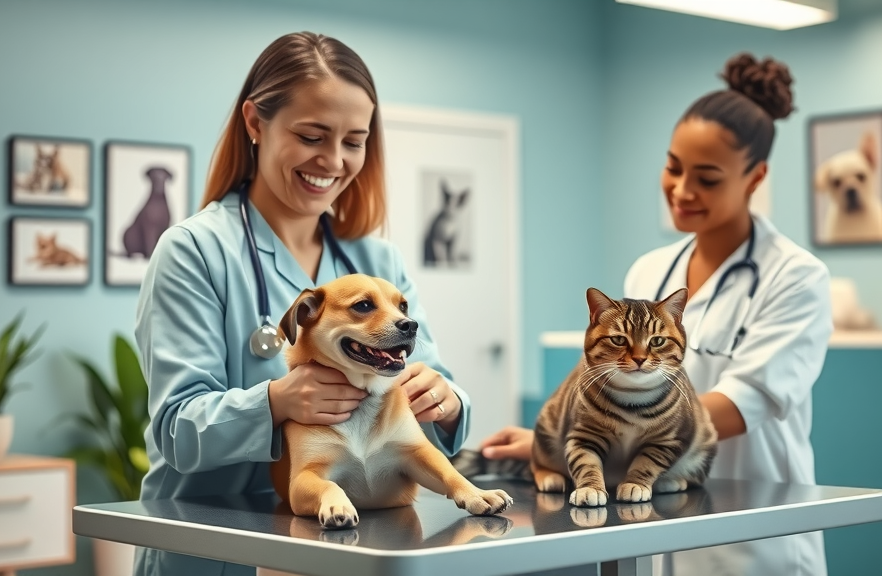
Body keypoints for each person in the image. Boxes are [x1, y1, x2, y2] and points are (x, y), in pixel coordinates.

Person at [132, 31, 470, 576]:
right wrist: (275, 402)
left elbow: (435, 389)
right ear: (254, 123)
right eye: (312, 135)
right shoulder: (194, 250)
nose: (333, 161)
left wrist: (446, 401)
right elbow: (176, 429)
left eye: (354, 141)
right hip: (215, 553)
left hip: (347, 552)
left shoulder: (376, 260)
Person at [481, 53, 833, 576]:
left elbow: (741, 405)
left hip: (758, 533)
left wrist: (571, 443)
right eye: (673, 167)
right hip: (662, 520)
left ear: (755, 177)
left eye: (707, 178)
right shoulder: (651, 271)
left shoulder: (795, 277)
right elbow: (612, 379)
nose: (681, 190)